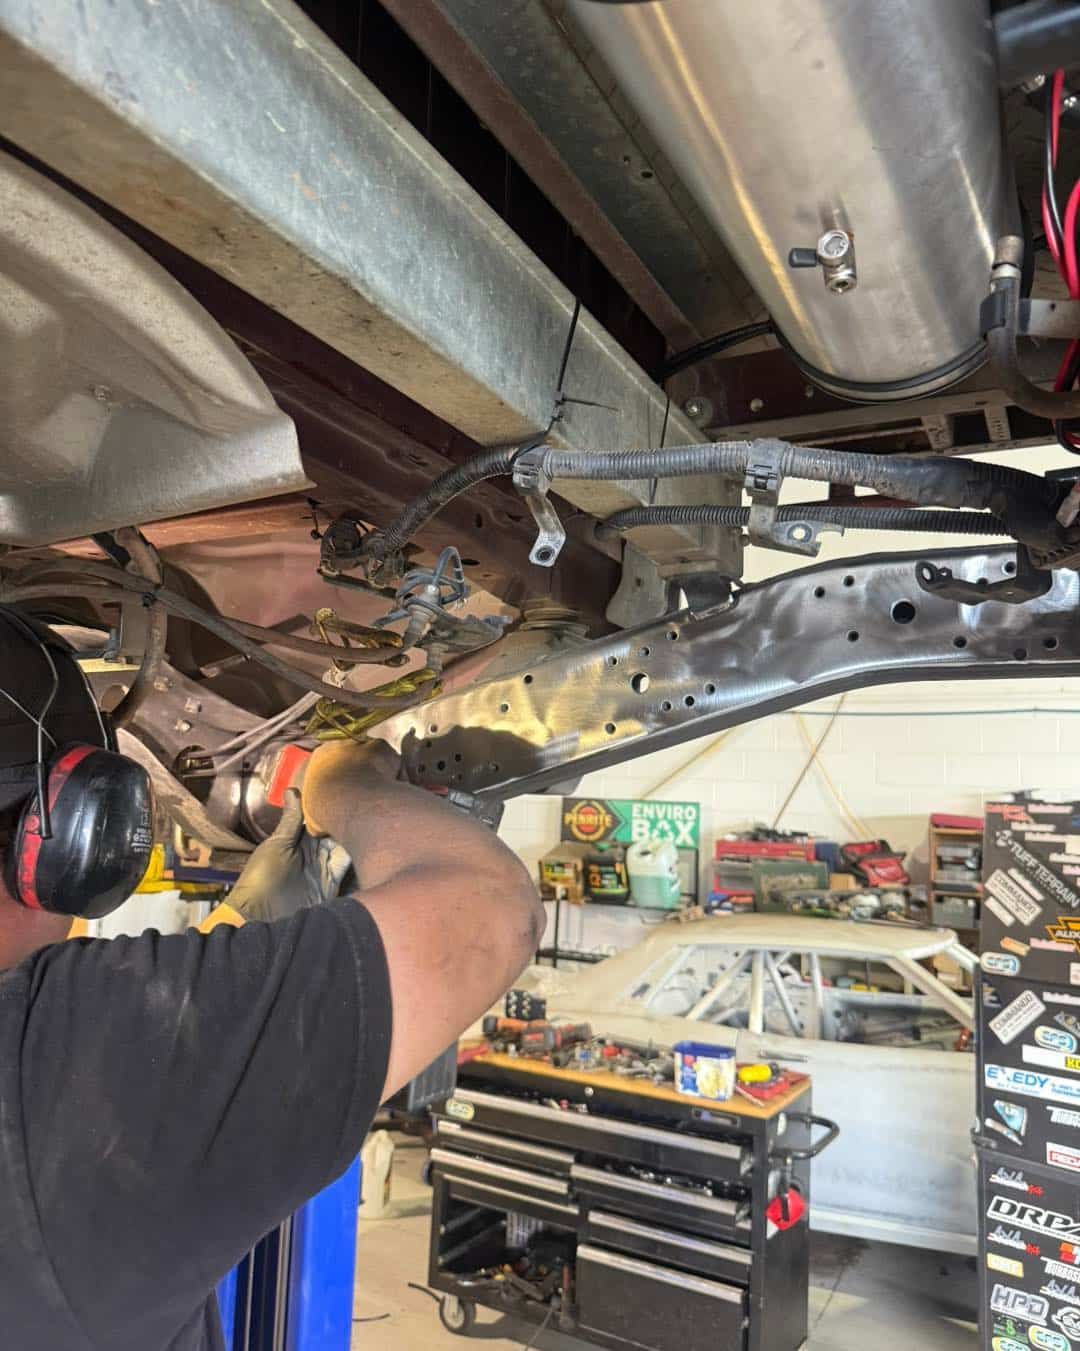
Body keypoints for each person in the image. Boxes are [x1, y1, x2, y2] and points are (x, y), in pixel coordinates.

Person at [0, 606, 543, 1350]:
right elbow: (486, 911)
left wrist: (230, 943)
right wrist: (344, 787)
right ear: (77, 833)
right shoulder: (61, 1060)